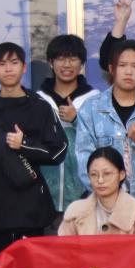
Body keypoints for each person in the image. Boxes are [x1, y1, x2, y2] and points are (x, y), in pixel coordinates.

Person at [0, 42, 66, 256]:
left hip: (30, 209)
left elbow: (59, 150)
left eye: (14, 62)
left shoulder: (40, 106)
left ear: (24, 67)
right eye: (1, 64)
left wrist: (25, 144)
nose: (8, 69)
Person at [71, 39, 135, 229]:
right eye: (122, 65)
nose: (128, 72)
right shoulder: (91, 109)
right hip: (103, 212)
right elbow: (84, 161)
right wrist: (108, 197)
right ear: (111, 69)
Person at [36, 33, 94, 216]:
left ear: (82, 63)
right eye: (60, 58)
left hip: (85, 197)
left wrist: (77, 120)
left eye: (73, 59)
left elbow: (101, 141)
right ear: (50, 62)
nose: (67, 65)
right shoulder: (37, 100)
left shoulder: (94, 99)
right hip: (43, 198)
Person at [58, 147, 135, 237]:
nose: (100, 180)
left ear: (121, 175)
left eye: (107, 174)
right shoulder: (75, 212)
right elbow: (63, 249)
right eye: (94, 174)